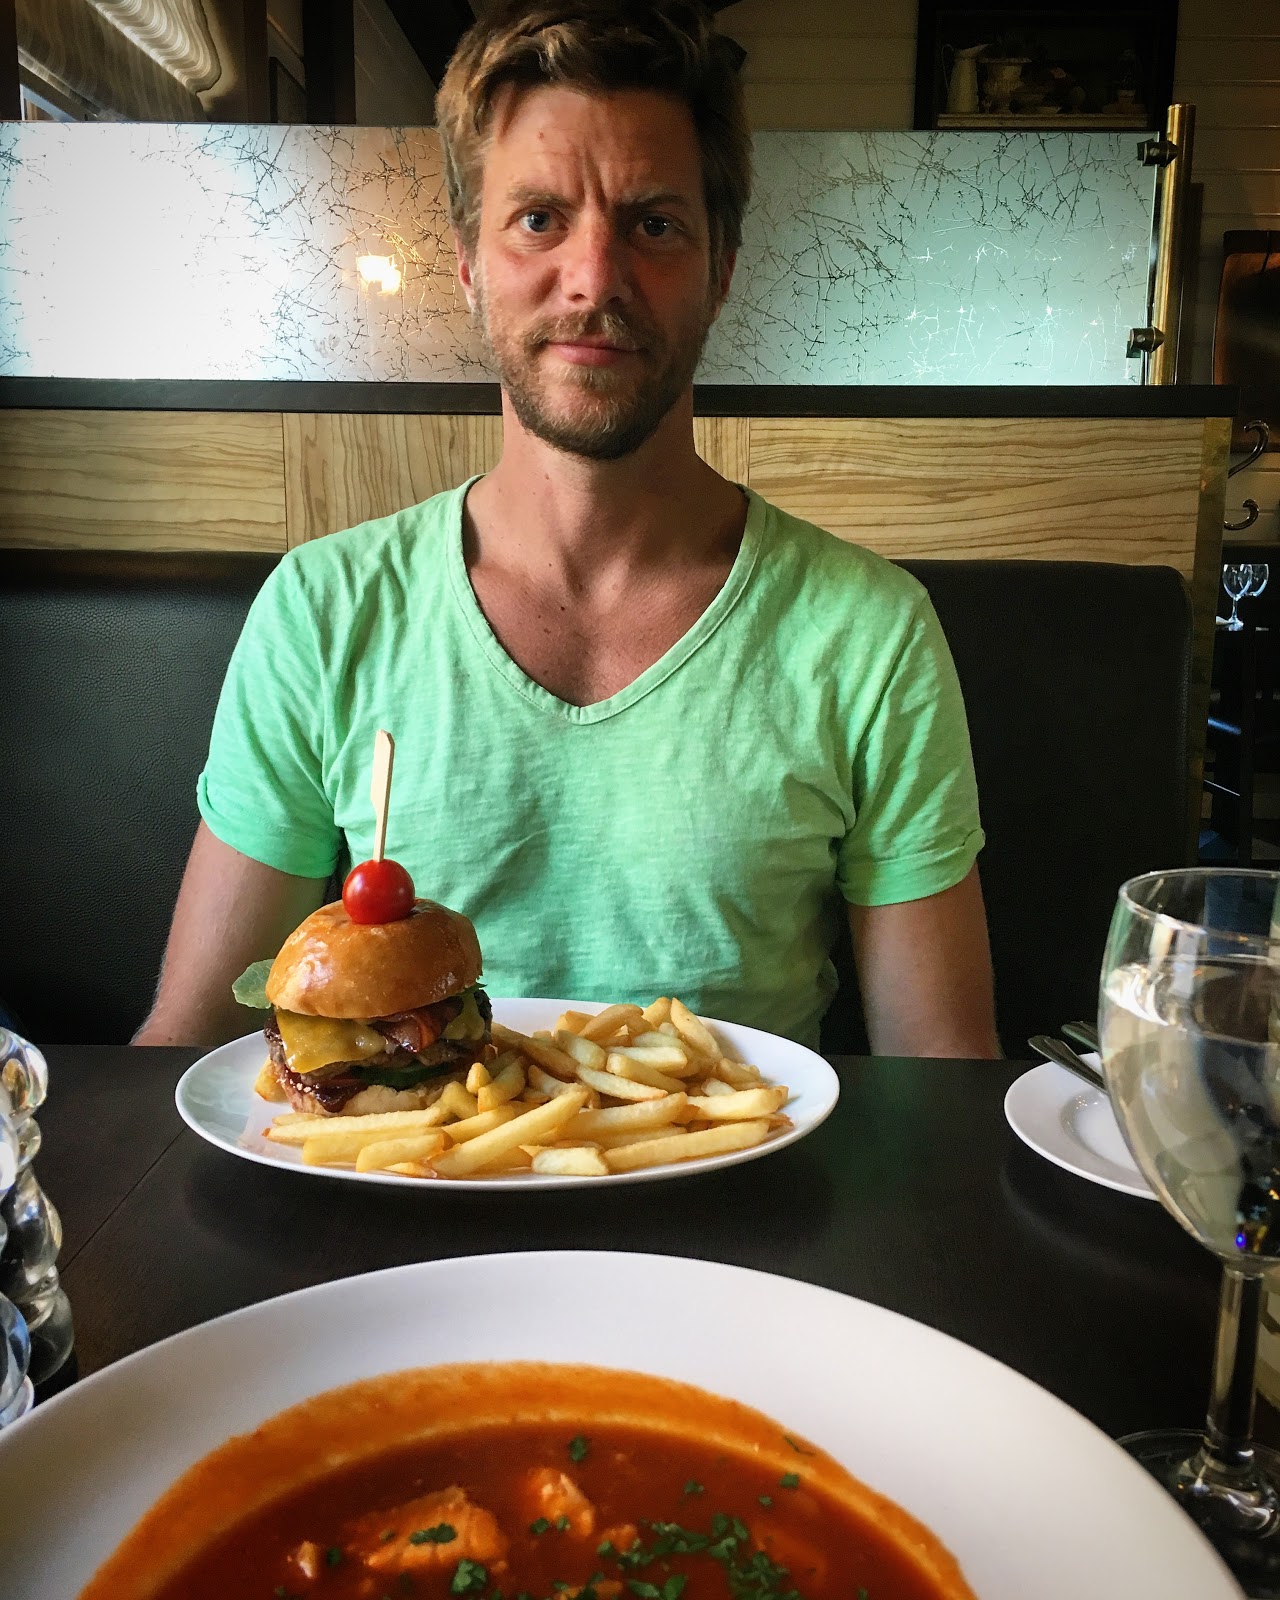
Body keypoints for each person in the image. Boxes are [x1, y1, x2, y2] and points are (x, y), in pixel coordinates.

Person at [135, 0, 1000, 1058]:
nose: (594, 279)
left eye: (654, 224)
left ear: (722, 270)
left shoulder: (871, 634)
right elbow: (191, 1046)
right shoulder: (323, 611)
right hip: (409, 1168)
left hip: (750, 1171)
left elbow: (939, 1075)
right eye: (539, 219)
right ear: (468, 263)